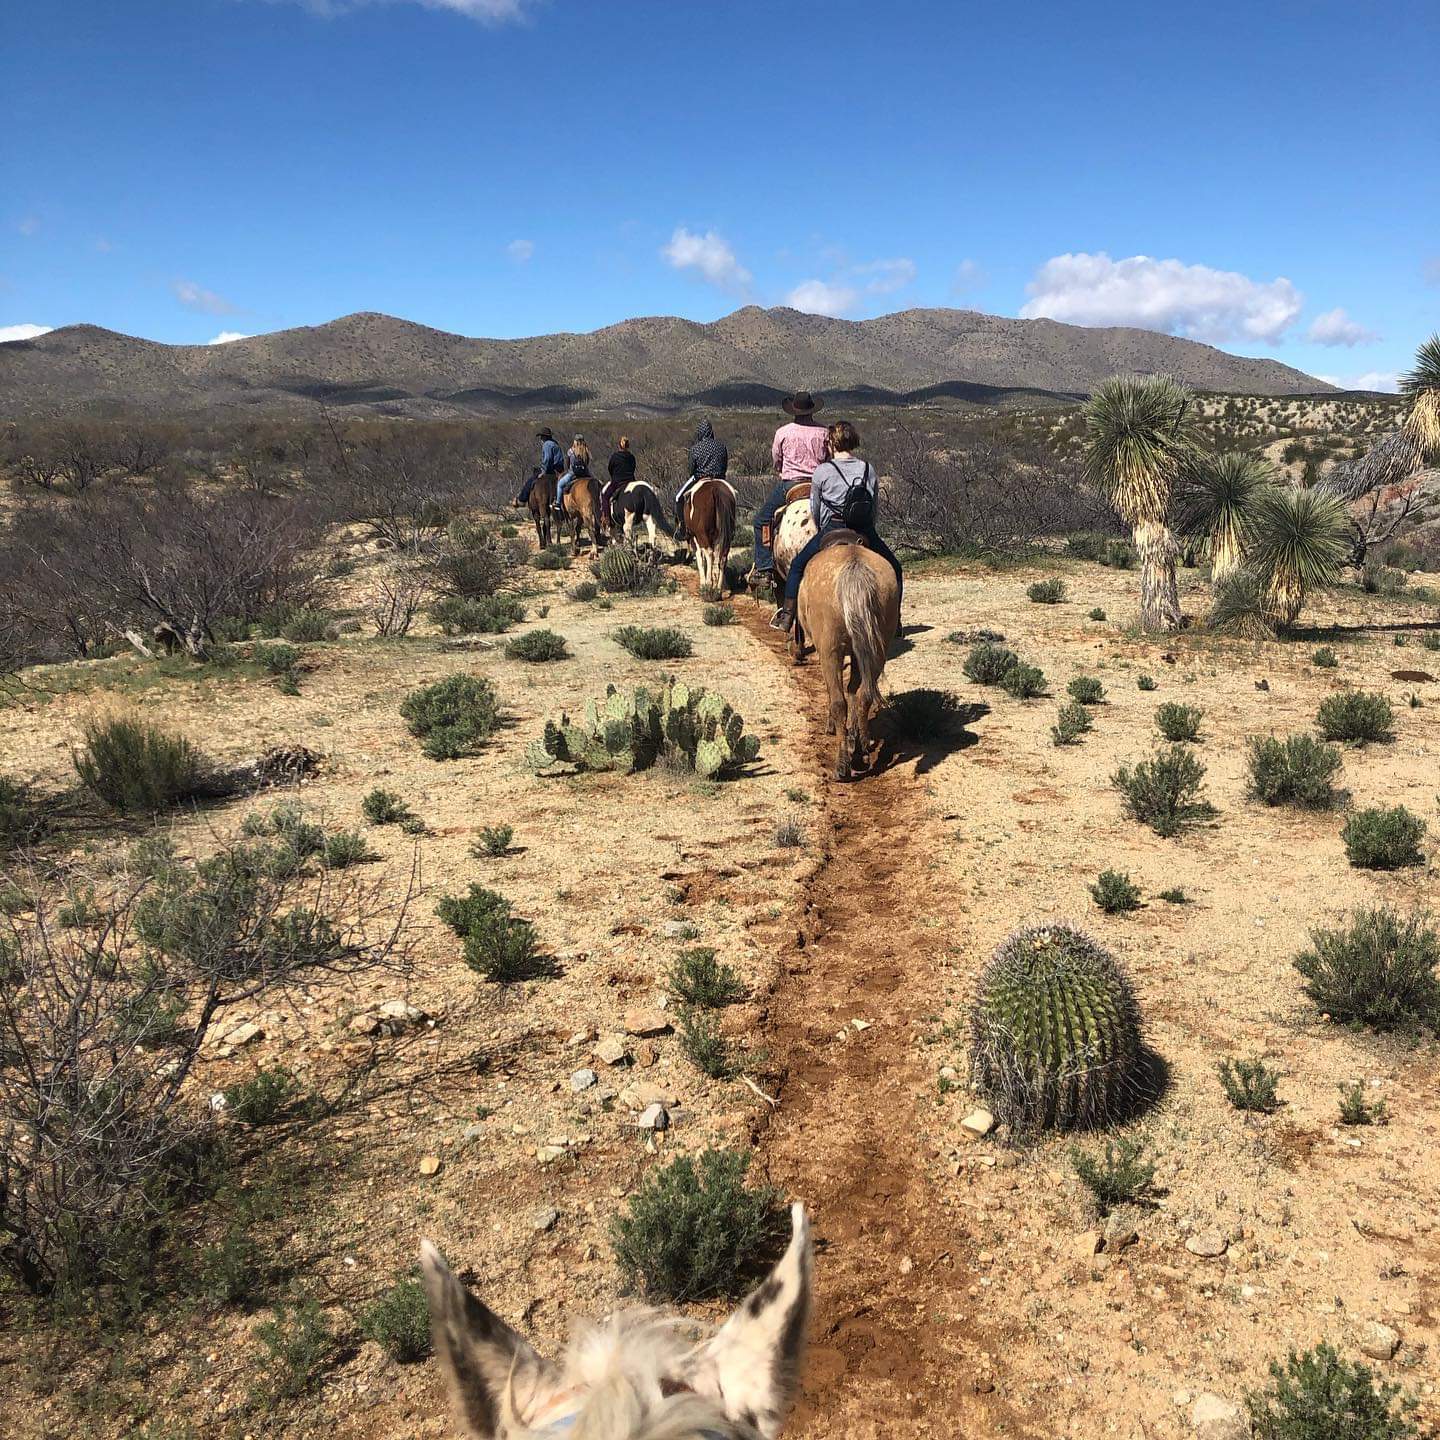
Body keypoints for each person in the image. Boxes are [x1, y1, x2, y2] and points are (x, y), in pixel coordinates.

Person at [772, 419, 902, 632]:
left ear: (832, 443)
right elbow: (874, 505)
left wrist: (824, 527)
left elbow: (815, 508)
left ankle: (787, 616)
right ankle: (895, 620)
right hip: (863, 529)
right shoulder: (868, 469)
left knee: (796, 567)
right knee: (895, 568)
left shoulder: (822, 471)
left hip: (833, 528)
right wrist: (868, 528)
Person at [749, 391, 830, 588]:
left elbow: (777, 460)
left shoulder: (783, 432)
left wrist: (782, 470)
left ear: (794, 410)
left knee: (761, 520)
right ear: (812, 410)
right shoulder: (824, 432)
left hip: (790, 485)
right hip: (818, 485)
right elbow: (829, 459)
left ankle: (764, 569)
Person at [675, 419, 728, 540]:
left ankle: (683, 529)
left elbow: (691, 469)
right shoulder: (721, 446)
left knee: (678, 498)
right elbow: (725, 465)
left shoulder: (695, 449)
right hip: (720, 478)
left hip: (700, 477)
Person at [603, 435, 636, 527]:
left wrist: (614, 476)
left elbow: (610, 468)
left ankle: (607, 518)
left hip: (617, 482)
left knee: (605, 496)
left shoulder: (615, 457)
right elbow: (633, 468)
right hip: (631, 481)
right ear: (628, 446)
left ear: (619, 446)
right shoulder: (631, 457)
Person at [555, 434, 592, 513]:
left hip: (573, 473)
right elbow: (587, 462)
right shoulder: (586, 450)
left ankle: (558, 503)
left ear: (575, 441)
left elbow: (568, 463)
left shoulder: (571, 451)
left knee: (560, 484)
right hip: (585, 473)